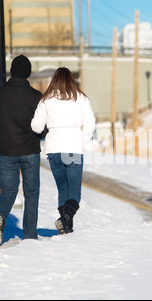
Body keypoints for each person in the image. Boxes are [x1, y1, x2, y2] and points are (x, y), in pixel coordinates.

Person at [0, 55, 47, 245]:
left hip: (6, 151)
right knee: (31, 192)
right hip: (29, 150)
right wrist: (38, 137)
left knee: (9, 190)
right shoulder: (36, 97)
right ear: (27, 73)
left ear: (12, 71)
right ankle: (29, 235)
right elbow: (43, 126)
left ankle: (0, 218)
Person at [31, 67, 95, 234]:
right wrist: (82, 141)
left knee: (63, 190)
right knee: (74, 193)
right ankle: (65, 220)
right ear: (71, 80)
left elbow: (36, 127)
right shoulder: (80, 99)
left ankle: (66, 227)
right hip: (73, 149)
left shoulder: (46, 100)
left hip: (54, 150)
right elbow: (90, 123)